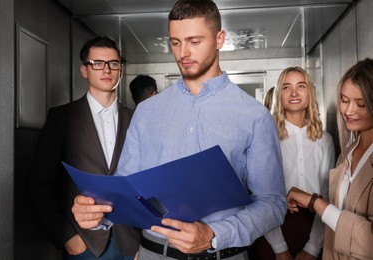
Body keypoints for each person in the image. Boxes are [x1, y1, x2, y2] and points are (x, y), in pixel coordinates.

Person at [72, 0, 287, 259]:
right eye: (175, 42)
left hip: (224, 253)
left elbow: (273, 203)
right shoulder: (147, 112)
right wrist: (97, 213)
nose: (183, 52)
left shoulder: (255, 116)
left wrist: (215, 233)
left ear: (219, 39)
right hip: (154, 252)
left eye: (194, 41)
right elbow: (126, 187)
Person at [28, 36, 140, 260]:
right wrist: (67, 237)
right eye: (97, 63)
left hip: (131, 243)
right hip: (84, 244)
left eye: (113, 63)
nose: (106, 70)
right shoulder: (61, 118)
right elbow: (38, 184)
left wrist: (142, 239)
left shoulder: (137, 118)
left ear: (120, 69)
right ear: (84, 70)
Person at [286, 58, 373, 260]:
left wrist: (315, 202)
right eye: (344, 100)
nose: (349, 111)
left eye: (360, 103)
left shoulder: (325, 141)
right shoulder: (347, 153)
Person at [250, 67, 335, 260]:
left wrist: (313, 248)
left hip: (317, 230)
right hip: (273, 230)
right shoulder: (265, 139)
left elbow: (329, 195)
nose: (294, 93)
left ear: (309, 93)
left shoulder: (325, 140)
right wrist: (279, 248)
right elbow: (261, 197)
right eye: (287, 87)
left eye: (301, 86)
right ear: (279, 94)